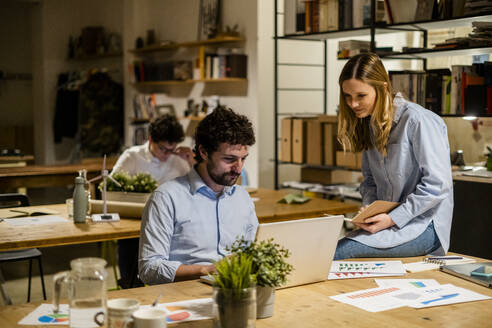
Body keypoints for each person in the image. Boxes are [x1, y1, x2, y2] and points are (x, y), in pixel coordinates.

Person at [334, 53, 453, 260]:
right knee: (328, 248)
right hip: (387, 224)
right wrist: (370, 212)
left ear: (382, 87)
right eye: (348, 96)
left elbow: (437, 184)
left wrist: (392, 218)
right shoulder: (369, 124)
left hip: (423, 226)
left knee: (339, 252)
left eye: (361, 96)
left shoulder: (418, 120)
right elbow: (370, 181)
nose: (353, 104)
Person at [138, 107, 258, 284]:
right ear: (204, 152)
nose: (239, 168)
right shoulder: (166, 198)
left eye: (243, 159)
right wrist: (207, 270)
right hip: (184, 298)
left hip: (236, 292)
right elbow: (149, 268)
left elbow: (253, 253)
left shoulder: (242, 198)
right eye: (229, 159)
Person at [111, 114, 194, 288]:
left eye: (172, 149)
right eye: (163, 149)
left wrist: (192, 162)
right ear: (150, 139)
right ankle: (131, 287)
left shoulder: (179, 160)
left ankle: (172, 287)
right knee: (133, 244)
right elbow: (111, 187)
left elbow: (195, 190)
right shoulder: (132, 156)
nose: (167, 154)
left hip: (172, 225)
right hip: (135, 223)